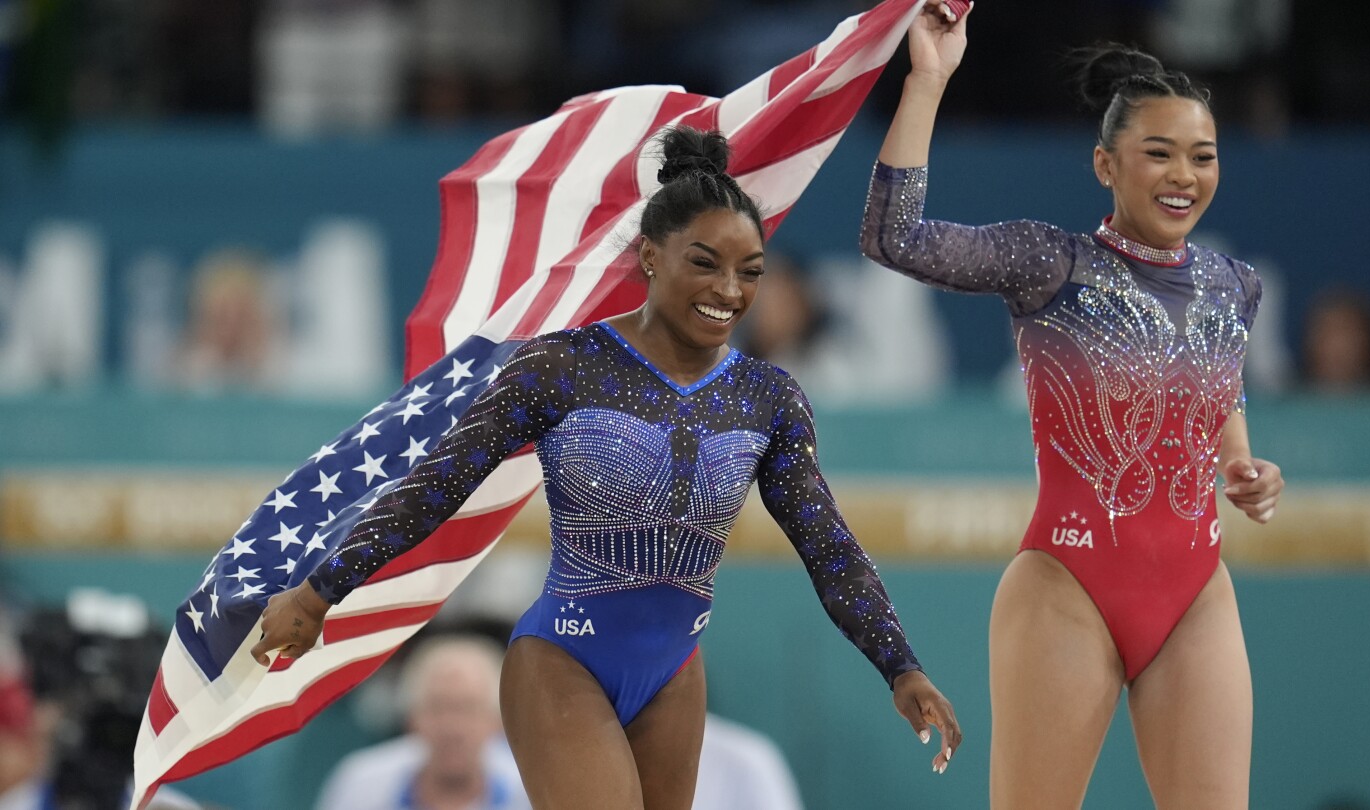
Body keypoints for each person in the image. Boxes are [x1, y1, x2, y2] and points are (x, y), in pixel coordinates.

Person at [251, 125, 962, 810]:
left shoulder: (767, 397)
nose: (730, 291)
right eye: (705, 263)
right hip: (562, 661)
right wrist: (320, 592)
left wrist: (899, 664)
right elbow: (435, 486)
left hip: (675, 672)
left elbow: (828, 545)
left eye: (751, 272)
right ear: (652, 256)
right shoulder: (561, 368)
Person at [859, 3, 1284, 808]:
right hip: (1069, 582)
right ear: (1105, 165)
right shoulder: (1051, 265)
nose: (1183, 175)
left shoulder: (1236, 285)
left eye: (1202, 155)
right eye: (1157, 154)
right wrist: (928, 80)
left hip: (1196, 587)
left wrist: (1241, 464)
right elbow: (894, 238)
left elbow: (1214, 387)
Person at [314, 636, 528, 810]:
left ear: (498, 721)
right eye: (438, 708)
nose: (452, 728)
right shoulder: (361, 785)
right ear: (411, 718)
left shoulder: (531, 792)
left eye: (467, 709)